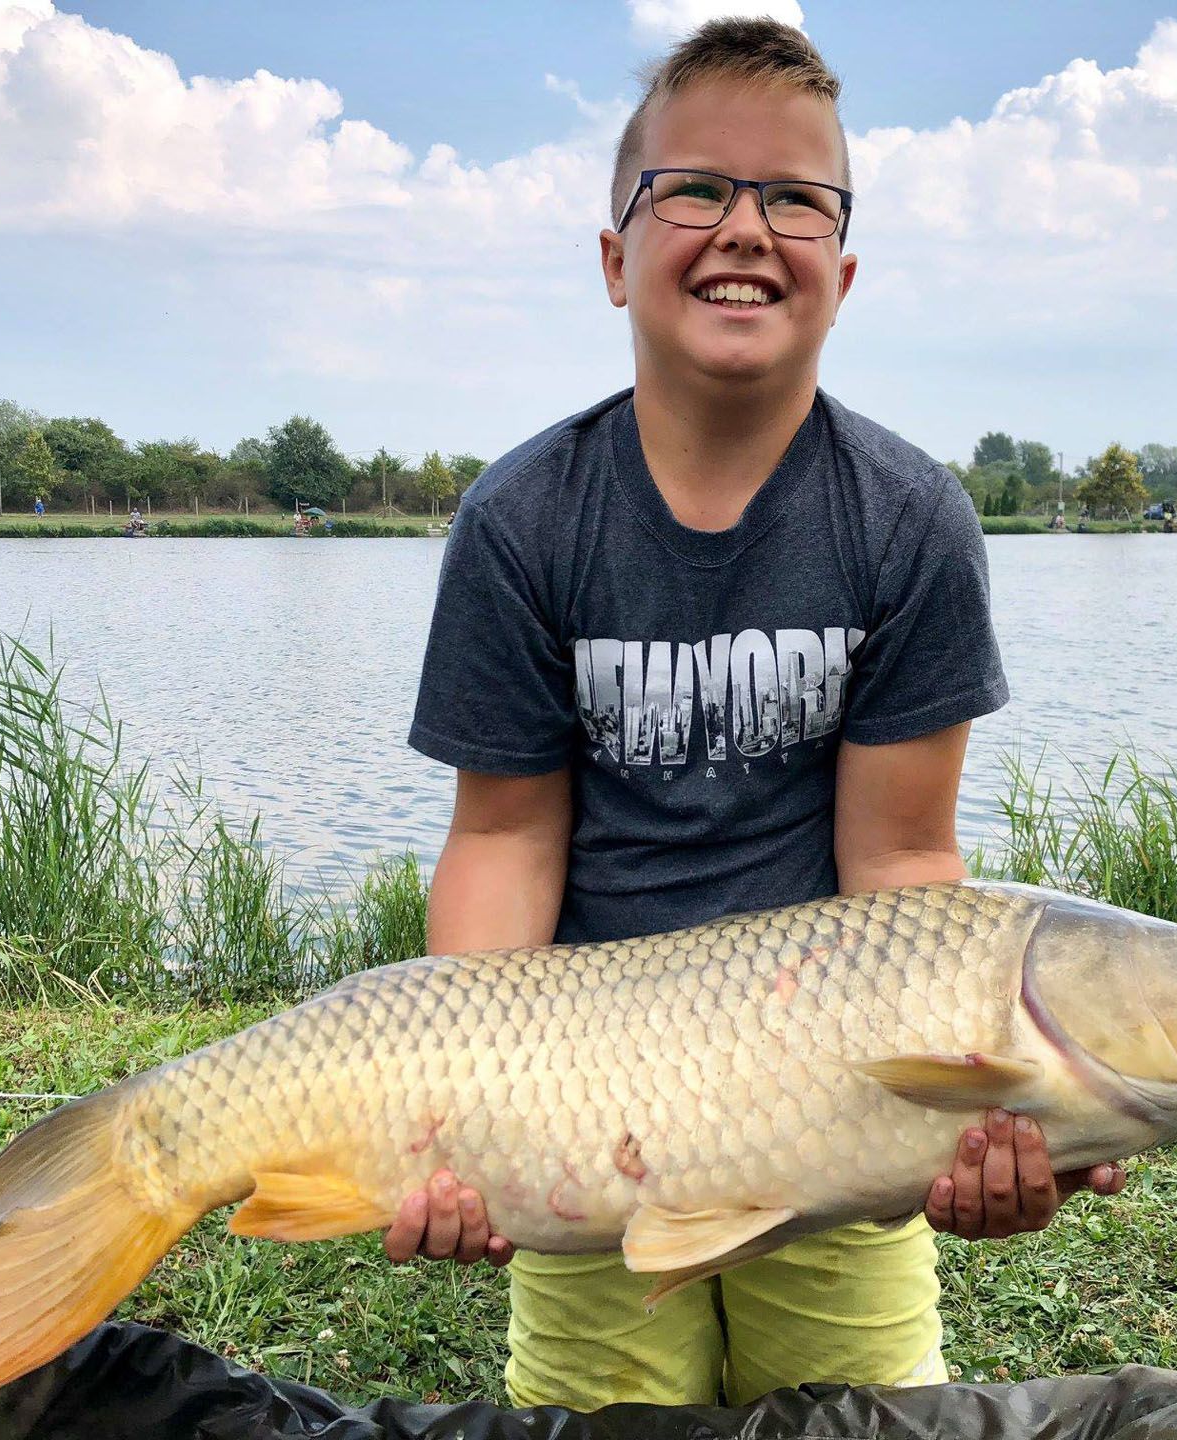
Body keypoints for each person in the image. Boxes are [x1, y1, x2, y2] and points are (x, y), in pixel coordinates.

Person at [400, 19, 1123, 1412]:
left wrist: (973, 1119)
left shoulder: (909, 521)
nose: (748, 226)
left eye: (796, 197)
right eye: (694, 189)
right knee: (600, 1416)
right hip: (582, 1098)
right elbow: (501, 839)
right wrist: (459, 1122)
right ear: (614, 257)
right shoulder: (522, 520)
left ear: (842, 272)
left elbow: (904, 864)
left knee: (863, 1412)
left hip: (838, 1099)